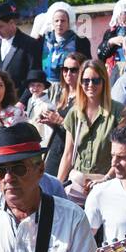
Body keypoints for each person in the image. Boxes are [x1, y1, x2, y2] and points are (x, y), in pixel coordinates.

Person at [57, 58, 122, 206]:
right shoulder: (74, 113)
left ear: (104, 81)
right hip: (77, 185)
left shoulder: (118, 112)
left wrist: (106, 178)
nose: (90, 85)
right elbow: (68, 154)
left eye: (95, 80)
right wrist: (58, 187)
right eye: (86, 81)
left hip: (106, 186)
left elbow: (120, 155)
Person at [42, 51, 90, 179]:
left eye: (73, 70)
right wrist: (51, 122)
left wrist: (59, 121)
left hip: (71, 154)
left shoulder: (85, 98)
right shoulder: (63, 94)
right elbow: (63, 128)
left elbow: (83, 131)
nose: (68, 74)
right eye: (65, 69)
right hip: (56, 148)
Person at [41, 2, 91, 84]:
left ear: (69, 22)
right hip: (45, 86)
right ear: (52, 22)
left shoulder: (80, 41)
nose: (59, 24)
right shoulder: (44, 40)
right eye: (56, 21)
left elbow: (86, 65)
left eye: (63, 21)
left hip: (71, 85)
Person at [0, 2, 37, 92]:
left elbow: (33, 77)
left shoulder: (30, 44)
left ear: (11, 23)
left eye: (0, 27)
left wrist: (21, 102)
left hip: (18, 100)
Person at [96, 0, 126, 77]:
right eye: (123, 22)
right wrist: (111, 42)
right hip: (116, 72)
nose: (125, 25)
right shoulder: (112, 32)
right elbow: (101, 56)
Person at [24, 68, 57, 148]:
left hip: (41, 140)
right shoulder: (30, 100)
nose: (35, 88)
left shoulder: (47, 106)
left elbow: (49, 130)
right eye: (32, 85)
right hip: (29, 136)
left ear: (44, 87)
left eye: (39, 85)